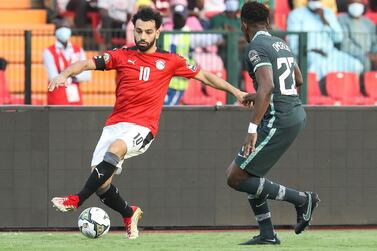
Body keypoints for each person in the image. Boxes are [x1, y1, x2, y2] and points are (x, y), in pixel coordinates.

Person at [49, 7, 247, 239]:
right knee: (101, 184)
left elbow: (205, 76)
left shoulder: (170, 60)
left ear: (158, 32)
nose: (142, 37)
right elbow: (85, 64)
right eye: (139, 31)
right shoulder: (121, 56)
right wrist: (64, 74)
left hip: (143, 127)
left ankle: (76, 199)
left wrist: (237, 91)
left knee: (116, 150)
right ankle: (129, 212)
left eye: (148, 32)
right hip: (114, 125)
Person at [225, 2, 320, 245]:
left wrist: (252, 129)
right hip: (294, 114)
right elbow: (297, 79)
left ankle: (302, 199)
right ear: (267, 22)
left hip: (280, 119)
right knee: (251, 174)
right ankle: (267, 233)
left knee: (235, 177)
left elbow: (267, 86)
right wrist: (257, 96)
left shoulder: (255, 47)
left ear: (243, 24)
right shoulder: (280, 43)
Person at [287, 0, 363, 93]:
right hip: (309, 54)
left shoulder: (328, 13)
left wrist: (325, 20)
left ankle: (348, 94)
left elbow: (339, 38)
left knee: (356, 65)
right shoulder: (296, 14)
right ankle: (320, 95)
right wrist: (310, 50)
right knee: (318, 68)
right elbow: (294, 44)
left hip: (331, 53)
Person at [163, 4, 223, 105]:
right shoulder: (167, 32)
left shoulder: (190, 35)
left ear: (185, 18)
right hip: (163, 81)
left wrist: (221, 36)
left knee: (168, 110)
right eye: (176, 16)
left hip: (178, 84)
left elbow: (208, 39)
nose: (178, 20)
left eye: (180, 17)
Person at [43, 26, 91, 105]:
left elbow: (87, 75)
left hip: (74, 93)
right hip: (58, 93)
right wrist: (71, 74)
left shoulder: (78, 50)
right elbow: (53, 76)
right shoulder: (49, 51)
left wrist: (72, 77)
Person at [338, 0, 377, 72]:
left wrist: (374, 53)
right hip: (350, 54)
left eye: (359, 3)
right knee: (365, 60)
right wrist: (365, 54)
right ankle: (362, 82)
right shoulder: (341, 19)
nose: (356, 5)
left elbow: (375, 41)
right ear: (348, 5)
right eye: (353, 3)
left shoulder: (369, 22)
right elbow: (345, 43)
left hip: (369, 54)